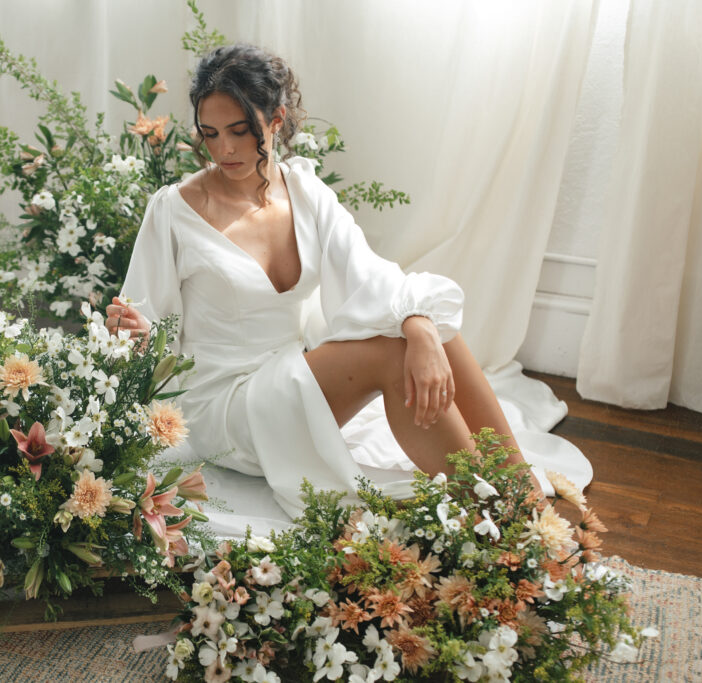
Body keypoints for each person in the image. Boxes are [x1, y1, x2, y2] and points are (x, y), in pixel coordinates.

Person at [105, 44, 540, 517]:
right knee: (397, 354)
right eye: (210, 133)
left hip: (291, 374)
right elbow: (146, 329)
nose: (224, 149)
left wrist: (420, 328)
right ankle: (494, 514)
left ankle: (522, 489)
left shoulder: (305, 192)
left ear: (275, 121)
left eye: (239, 131)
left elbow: (370, 276)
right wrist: (136, 333)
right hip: (224, 406)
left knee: (430, 330)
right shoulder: (174, 210)